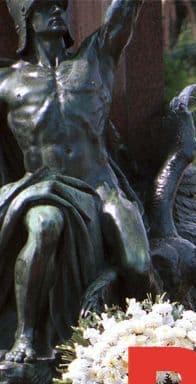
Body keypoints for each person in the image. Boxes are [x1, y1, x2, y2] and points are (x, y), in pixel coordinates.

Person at [0, 0, 150, 362]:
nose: (57, 11)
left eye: (61, 5)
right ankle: (27, 338)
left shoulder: (94, 58)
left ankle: (142, 341)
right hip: (42, 187)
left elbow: (124, 12)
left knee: (138, 263)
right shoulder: (7, 81)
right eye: (45, 6)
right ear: (26, 18)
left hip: (100, 188)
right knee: (45, 226)